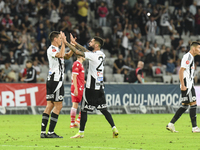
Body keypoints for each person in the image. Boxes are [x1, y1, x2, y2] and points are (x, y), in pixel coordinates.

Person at [65, 33, 119, 138]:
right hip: (100, 87)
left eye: (92, 41)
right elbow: (87, 52)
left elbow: (77, 52)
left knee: (84, 110)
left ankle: (81, 133)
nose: (91, 42)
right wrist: (75, 43)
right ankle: (114, 128)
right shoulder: (101, 55)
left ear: (97, 45)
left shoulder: (93, 55)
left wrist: (66, 42)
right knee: (104, 110)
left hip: (91, 88)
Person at [40, 31, 73, 138]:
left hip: (51, 80)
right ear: (55, 39)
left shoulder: (56, 49)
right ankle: (50, 132)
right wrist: (64, 43)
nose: (60, 40)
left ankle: (43, 132)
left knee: (50, 105)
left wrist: (71, 46)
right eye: (59, 38)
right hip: (56, 81)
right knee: (58, 106)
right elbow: (61, 54)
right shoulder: (52, 49)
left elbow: (66, 56)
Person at [166, 42, 200, 133]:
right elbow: (181, 71)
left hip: (188, 83)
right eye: (199, 48)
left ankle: (171, 124)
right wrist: (183, 85)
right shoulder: (188, 56)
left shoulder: (191, 57)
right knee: (193, 104)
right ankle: (195, 127)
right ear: (194, 49)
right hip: (187, 84)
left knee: (184, 106)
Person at [70, 56, 85, 128]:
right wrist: (76, 88)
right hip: (78, 87)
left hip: (79, 86)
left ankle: (73, 123)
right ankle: (77, 121)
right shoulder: (77, 63)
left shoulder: (80, 64)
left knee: (76, 105)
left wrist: (84, 82)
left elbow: (78, 77)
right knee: (83, 105)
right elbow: (74, 76)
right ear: (80, 56)